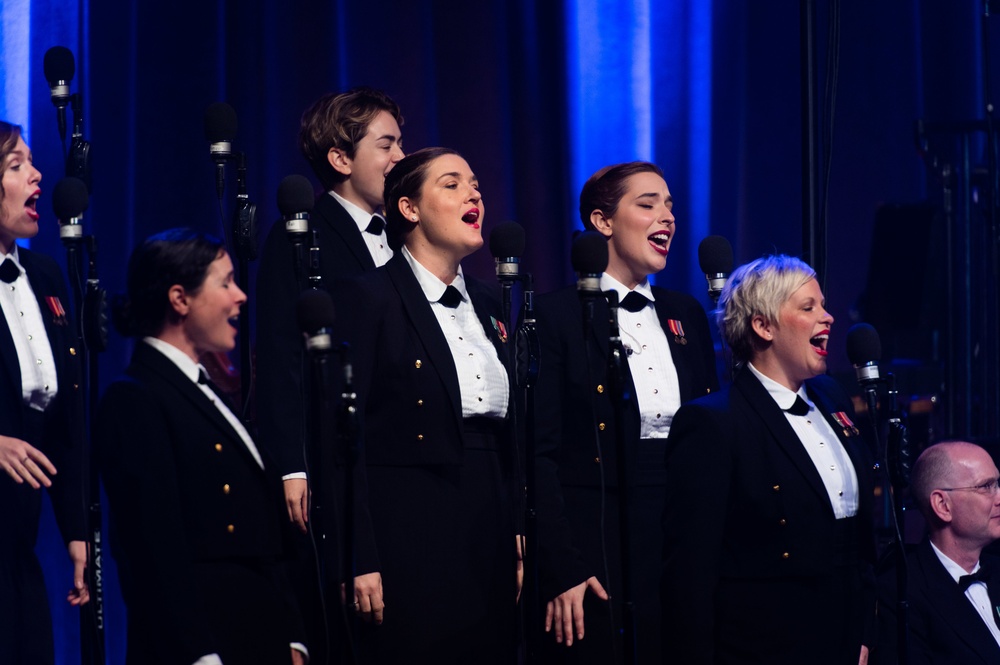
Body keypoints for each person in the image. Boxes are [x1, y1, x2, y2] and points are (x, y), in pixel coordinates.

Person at [334, 147, 519, 662]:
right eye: (452, 183)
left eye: (476, 183)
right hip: (409, 528)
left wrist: (521, 527)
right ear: (409, 209)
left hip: (489, 519)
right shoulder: (368, 297)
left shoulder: (491, 303)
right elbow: (342, 440)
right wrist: (359, 554)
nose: (474, 193)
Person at [533, 161, 718, 662]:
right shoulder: (555, 315)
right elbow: (539, 453)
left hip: (679, 529)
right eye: (648, 204)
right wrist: (560, 564)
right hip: (597, 532)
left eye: (671, 206)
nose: (668, 217)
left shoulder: (686, 314)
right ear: (602, 221)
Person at [97, 229, 306, 664]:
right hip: (205, 646)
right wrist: (197, 654)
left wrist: (292, 637)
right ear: (180, 299)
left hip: (256, 637)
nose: (241, 297)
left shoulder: (204, 390)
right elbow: (153, 550)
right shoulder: (137, 397)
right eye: (225, 282)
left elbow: (262, 532)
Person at [661, 254, 876, 665]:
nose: (828, 317)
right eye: (808, 307)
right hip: (763, 648)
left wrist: (864, 634)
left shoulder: (831, 397)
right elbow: (690, 574)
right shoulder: (713, 423)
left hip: (847, 642)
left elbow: (860, 542)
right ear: (763, 326)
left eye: (824, 305)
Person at [255, 87, 404, 656]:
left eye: (400, 143)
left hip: (389, 457)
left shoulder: (403, 234)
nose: (399, 157)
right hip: (330, 452)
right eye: (385, 144)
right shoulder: (301, 234)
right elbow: (277, 356)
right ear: (341, 160)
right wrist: (292, 465)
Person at [0, 121, 89, 664]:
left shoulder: (46, 275)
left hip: (18, 544)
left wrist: (76, 530)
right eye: (15, 166)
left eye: (31, 163)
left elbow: (64, 420)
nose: (37, 175)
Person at [874, 441, 1000, 665]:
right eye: (985, 486)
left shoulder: (995, 568)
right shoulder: (902, 589)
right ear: (943, 505)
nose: (998, 497)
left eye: (997, 484)